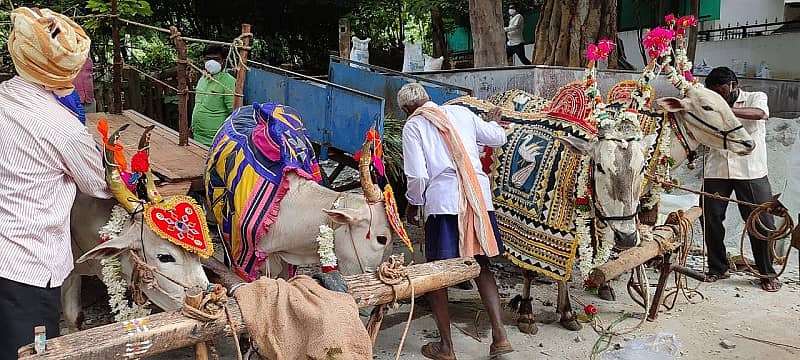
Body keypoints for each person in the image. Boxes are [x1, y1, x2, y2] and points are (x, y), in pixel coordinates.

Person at [0, 7, 112, 358]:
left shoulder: (4, 95)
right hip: (29, 266)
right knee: (30, 352)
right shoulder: (65, 130)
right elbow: (99, 186)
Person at [399, 83, 512, 359]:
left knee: (439, 275)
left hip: (444, 204)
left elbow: (417, 177)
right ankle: (500, 337)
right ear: (429, 99)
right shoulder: (461, 113)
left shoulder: (413, 126)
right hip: (479, 200)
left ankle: (447, 347)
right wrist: (493, 123)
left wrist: (414, 204)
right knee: (481, 265)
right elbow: (498, 138)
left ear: (406, 110)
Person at [702, 66, 780, 292]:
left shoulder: (756, 97)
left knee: (762, 221)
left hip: (751, 171)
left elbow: (761, 114)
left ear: (734, 85)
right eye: (714, 92)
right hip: (717, 170)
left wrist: (725, 110)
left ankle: (767, 273)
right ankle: (718, 268)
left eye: (722, 90)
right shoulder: (711, 102)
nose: (719, 95)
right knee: (711, 218)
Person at [191, 45, 236, 147]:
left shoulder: (228, 81)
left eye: (216, 59)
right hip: (197, 137)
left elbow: (234, 112)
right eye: (208, 59)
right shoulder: (203, 78)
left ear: (223, 61)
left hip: (216, 141)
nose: (211, 62)